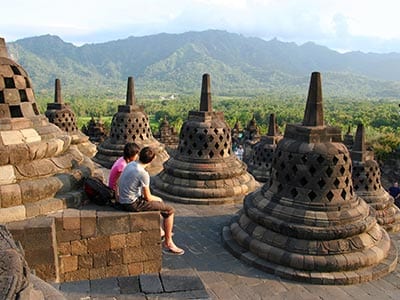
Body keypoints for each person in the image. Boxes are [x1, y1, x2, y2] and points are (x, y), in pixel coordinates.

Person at [118, 146, 184, 255]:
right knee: (169, 210)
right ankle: (168, 242)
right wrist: (159, 199)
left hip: (124, 199)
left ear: (139, 155)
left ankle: (162, 231)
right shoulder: (143, 173)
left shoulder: (130, 164)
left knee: (157, 205)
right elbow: (148, 197)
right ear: (151, 161)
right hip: (132, 203)